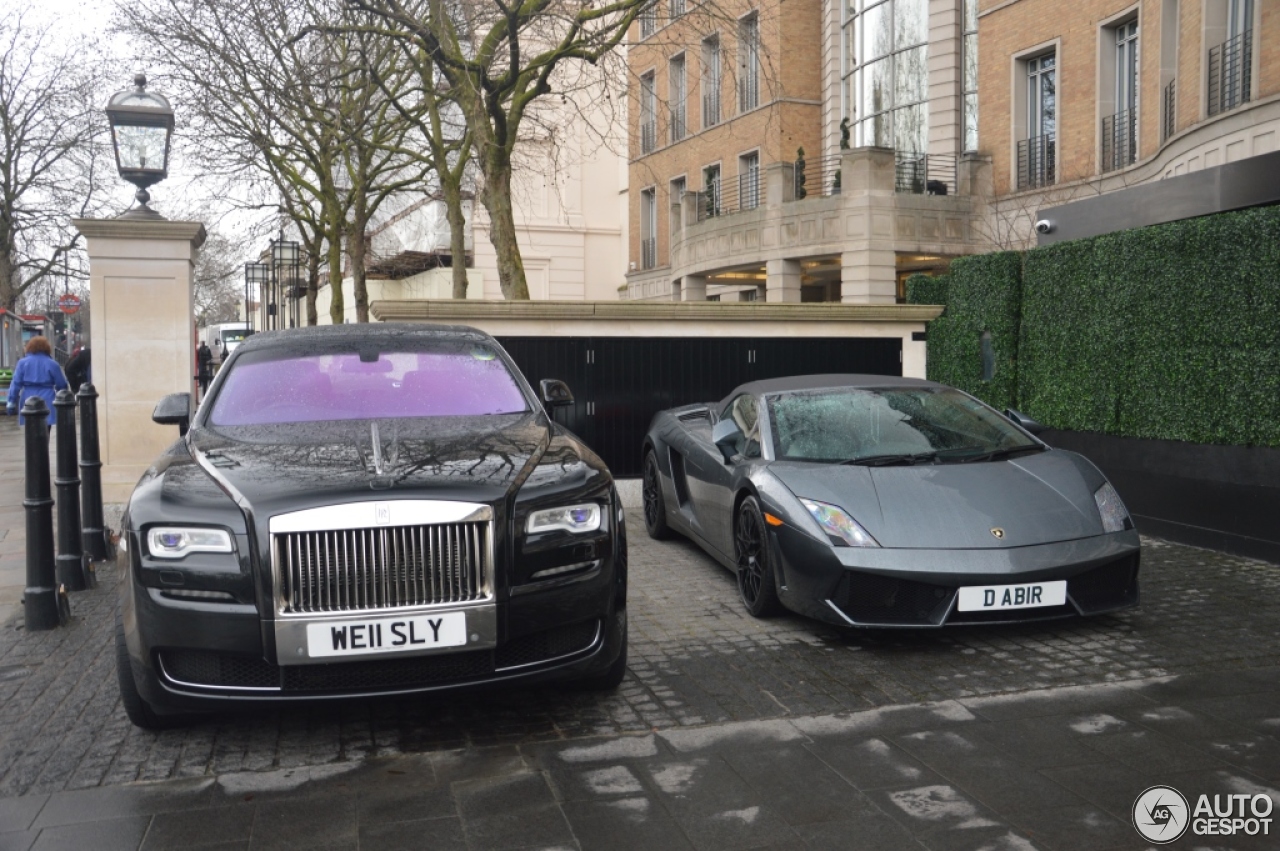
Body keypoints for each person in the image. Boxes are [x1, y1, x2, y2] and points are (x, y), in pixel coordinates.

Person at [6, 336, 69, 427]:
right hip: (47, 398)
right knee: (46, 428)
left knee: (30, 430)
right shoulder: (52, 364)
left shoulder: (22, 363)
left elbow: (15, 384)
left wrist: (11, 402)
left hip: (28, 398)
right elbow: (61, 384)